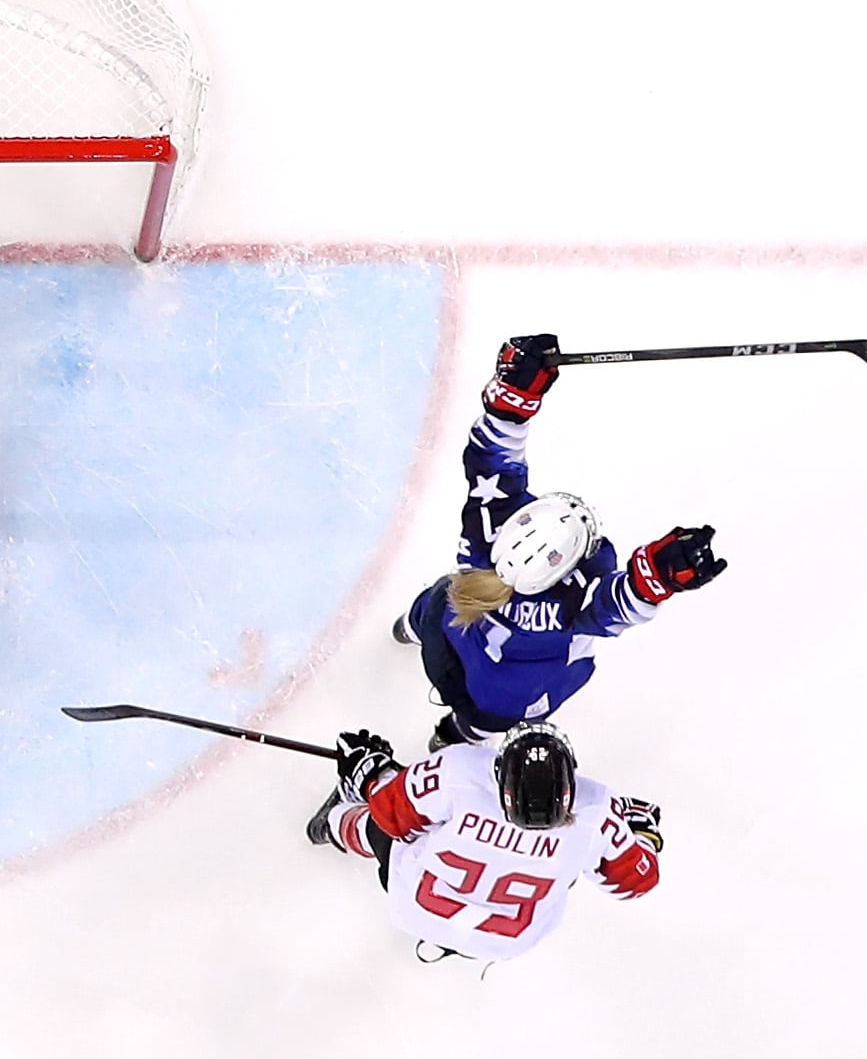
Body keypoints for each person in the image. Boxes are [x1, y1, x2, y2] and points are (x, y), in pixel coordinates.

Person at [394, 333, 725, 748]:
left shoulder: (488, 536)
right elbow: (617, 603)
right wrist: (662, 576)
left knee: (438, 600)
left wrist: (512, 396)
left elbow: (491, 459)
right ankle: (451, 741)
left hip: (443, 638)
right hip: (497, 704)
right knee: (484, 719)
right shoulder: (571, 602)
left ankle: (407, 628)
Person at [306, 725, 661, 965]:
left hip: (416, 907)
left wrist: (371, 770)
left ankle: (333, 824)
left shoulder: (460, 770)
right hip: (505, 941)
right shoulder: (596, 810)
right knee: (572, 864)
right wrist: (641, 833)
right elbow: (636, 882)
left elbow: (391, 814)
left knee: (379, 827)